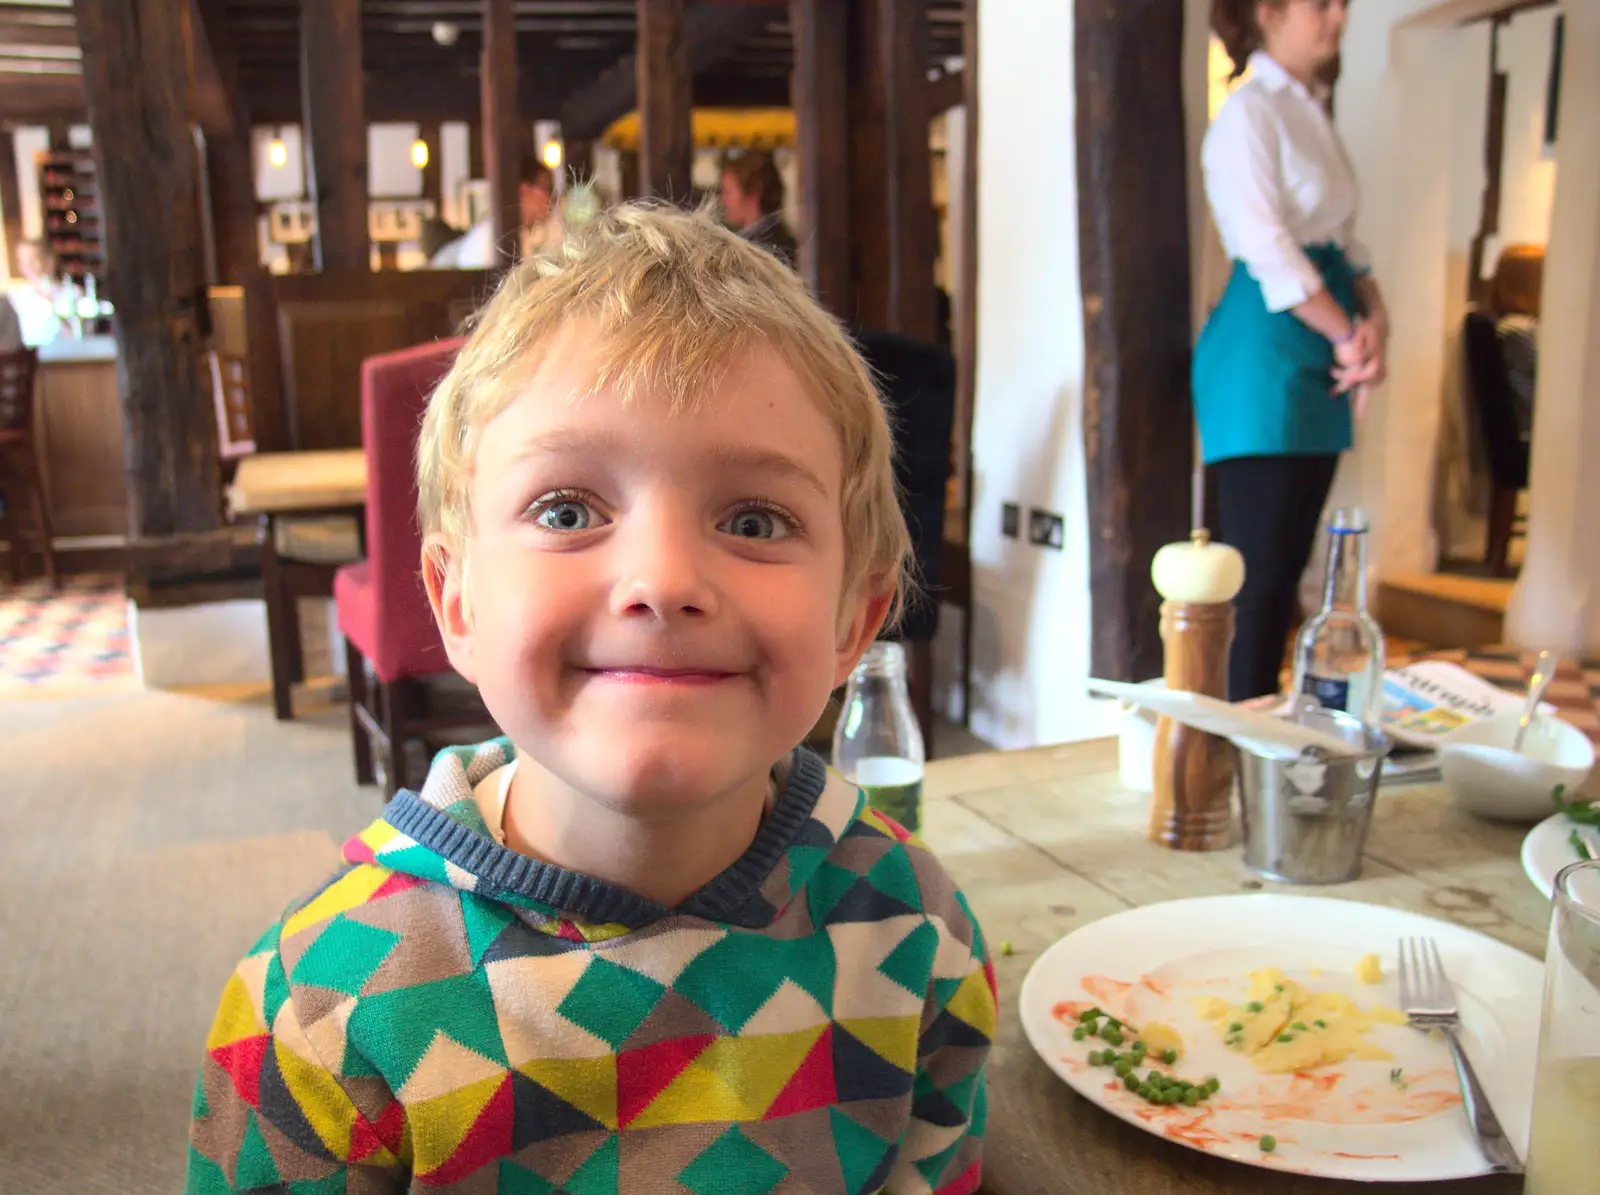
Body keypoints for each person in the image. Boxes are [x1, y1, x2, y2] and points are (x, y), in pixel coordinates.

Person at [185, 204, 994, 1193]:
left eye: (753, 517)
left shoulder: (913, 926)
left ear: (853, 622)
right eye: (566, 510)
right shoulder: (322, 1005)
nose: (661, 577)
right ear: (456, 600)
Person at [1194, 0, 1389, 702]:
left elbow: (1345, 244)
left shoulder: (1310, 109)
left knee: (1290, 576)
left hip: (1319, 346)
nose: (1339, 17)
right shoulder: (1249, 114)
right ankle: (1238, 746)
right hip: (1264, 358)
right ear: (1266, 13)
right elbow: (1271, 249)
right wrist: (1346, 333)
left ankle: (1268, 733)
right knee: (1260, 579)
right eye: (1321, 4)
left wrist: (1374, 322)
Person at [431, 155, 561, 268]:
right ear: (524, 190)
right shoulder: (489, 238)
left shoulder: (522, 237)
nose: (552, 198)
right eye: (546, 188)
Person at [721, 150, 798, 267]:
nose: (723, 200)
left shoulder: (754, 251)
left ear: (753, 193)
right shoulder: (786, 242)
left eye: (728, 192)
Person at [9, 240, 63, 346]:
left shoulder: (69, 293)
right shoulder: (16, 298)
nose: (27, 266)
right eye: (22, 261)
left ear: (48, 261)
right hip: (29, 358)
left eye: (33, 259)